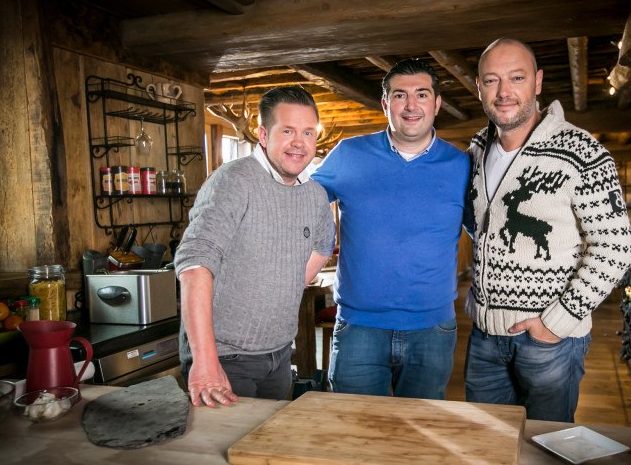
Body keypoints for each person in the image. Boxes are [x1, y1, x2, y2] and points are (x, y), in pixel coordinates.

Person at [463, 38, 631, 421]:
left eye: (517, 78)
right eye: (491, 81)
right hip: (485, 338)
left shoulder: (582, 151)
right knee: (482, 448)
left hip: (547, 342)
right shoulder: (477, 148)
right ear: (478, 87)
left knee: (546, 447)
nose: (504, 92)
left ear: (538, 82)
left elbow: (616, 247)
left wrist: (556, 322)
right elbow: (481, 225)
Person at [311, 59, 470, 399]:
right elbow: (300, 206)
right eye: (400, 95)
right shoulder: (349, 155)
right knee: (353, 433)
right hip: (359, 328)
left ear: (437, 103)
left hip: (433, 329)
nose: (411, 105)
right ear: (385, 104)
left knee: (420, 439)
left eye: (422, 94)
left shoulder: (461, 166)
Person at [175, 86, 336, 407]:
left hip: (278, 354)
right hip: (225, 356)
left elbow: (322, 245)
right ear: (263, 134)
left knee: (263, 449)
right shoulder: (233, 182)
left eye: (307, 133)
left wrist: (281, 287)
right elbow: (194, 266)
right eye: (287, 131)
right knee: (219, 452)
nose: (299, 143)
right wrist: (205, 363)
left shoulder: (315, 194)